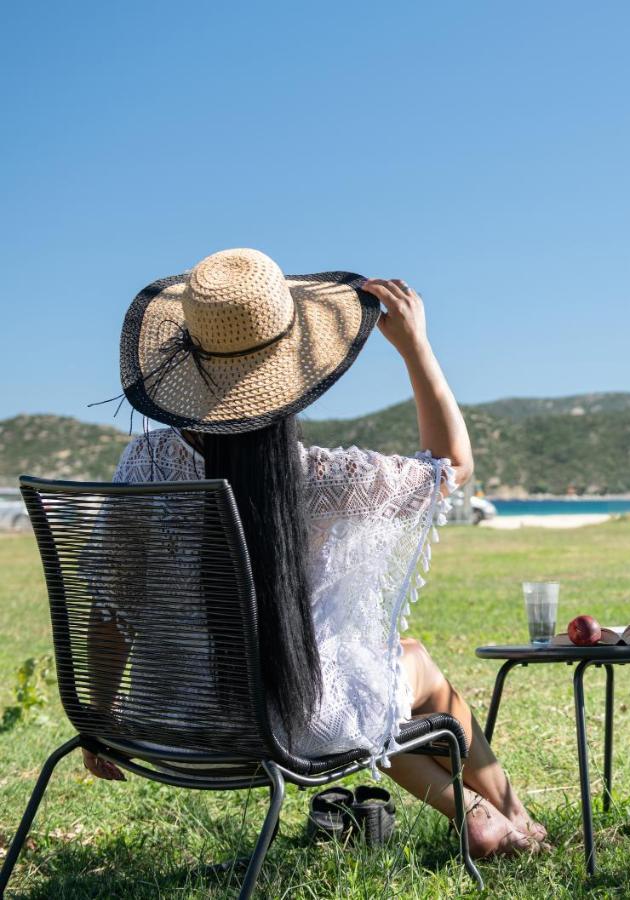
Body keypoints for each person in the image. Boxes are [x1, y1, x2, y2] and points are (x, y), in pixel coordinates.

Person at [80, 247, 545, 858]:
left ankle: (477, 813)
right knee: (410, 667)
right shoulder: (316, 478)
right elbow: (451, 467)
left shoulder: (140, 467)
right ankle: (512, 815)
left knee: (381, 672)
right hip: (295, 726)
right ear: (292, 368)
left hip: (175, 724)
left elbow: (110, 614)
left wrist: (99, 723)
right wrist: (416, 348)